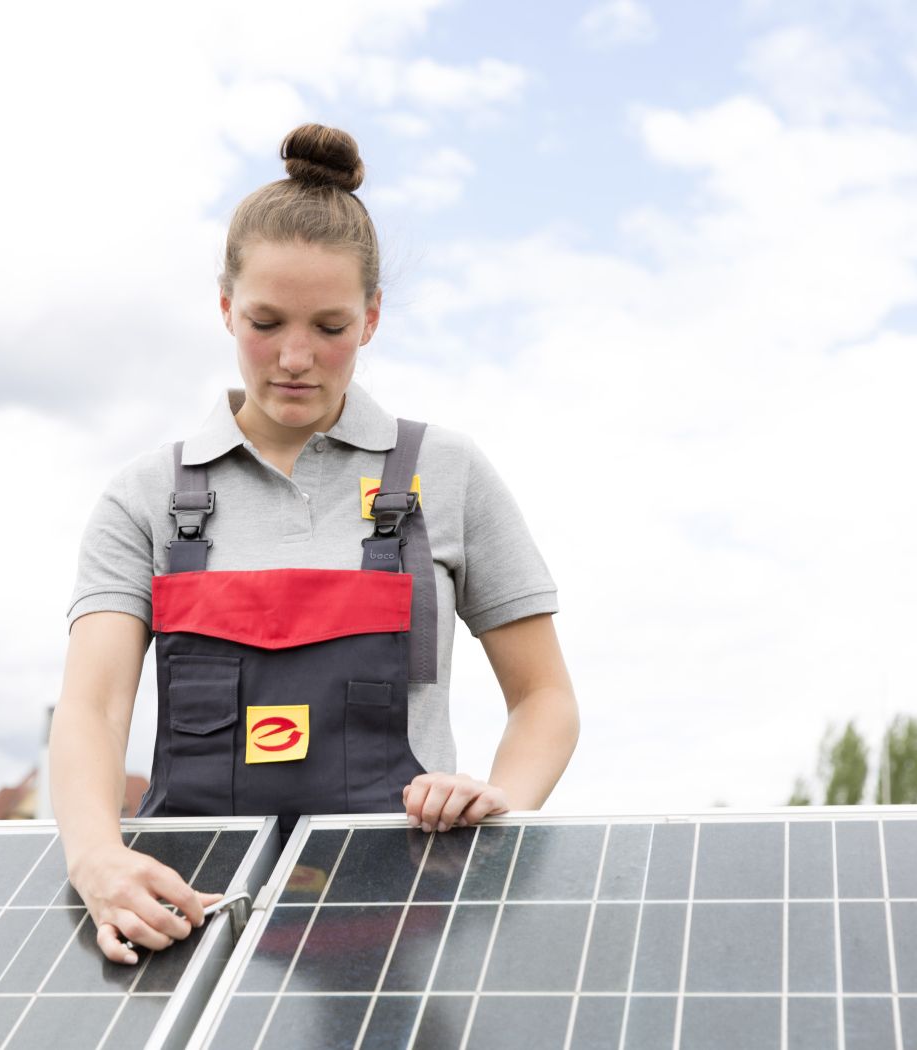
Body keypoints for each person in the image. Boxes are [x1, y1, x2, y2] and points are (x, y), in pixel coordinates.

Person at [50, 124, 578, 964]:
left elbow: (545, 700)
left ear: (371, 318)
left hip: (397, 930)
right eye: (265, 321)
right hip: (183, 924)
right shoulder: (145, 495)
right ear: (224, 305)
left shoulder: (447, 471)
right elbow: (93, 707)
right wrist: (96, 858)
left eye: (329, 326)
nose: (295, 357)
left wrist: (495, 805)